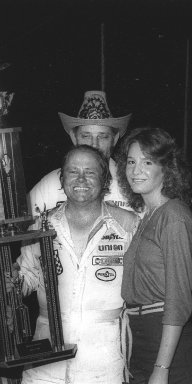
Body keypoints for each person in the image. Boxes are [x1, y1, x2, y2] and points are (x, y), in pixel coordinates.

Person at [14, 145, 138, 383]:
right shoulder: (41, 227)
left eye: (90, 172)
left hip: (104, 364)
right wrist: (11, 284)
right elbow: (27, 276)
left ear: (104, 180)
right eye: (73, 171)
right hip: (45, 364)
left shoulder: (128, 226)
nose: (81, 179)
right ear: (62, 178)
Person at [116, 127, 192, 384]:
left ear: (166, 168)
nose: (136, 170)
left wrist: (162, 367)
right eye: (131, 161)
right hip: (141, 337)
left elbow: (179, 299)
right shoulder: (147, 217)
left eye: (147, 162)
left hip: (166, 341)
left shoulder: (173, 215)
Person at [29, 90, 132, 214]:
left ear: (114, 140)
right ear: (74, 138)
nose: (94, 145)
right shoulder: (49, 186)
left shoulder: (132, 184)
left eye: (102, 136)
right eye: (86, 136)